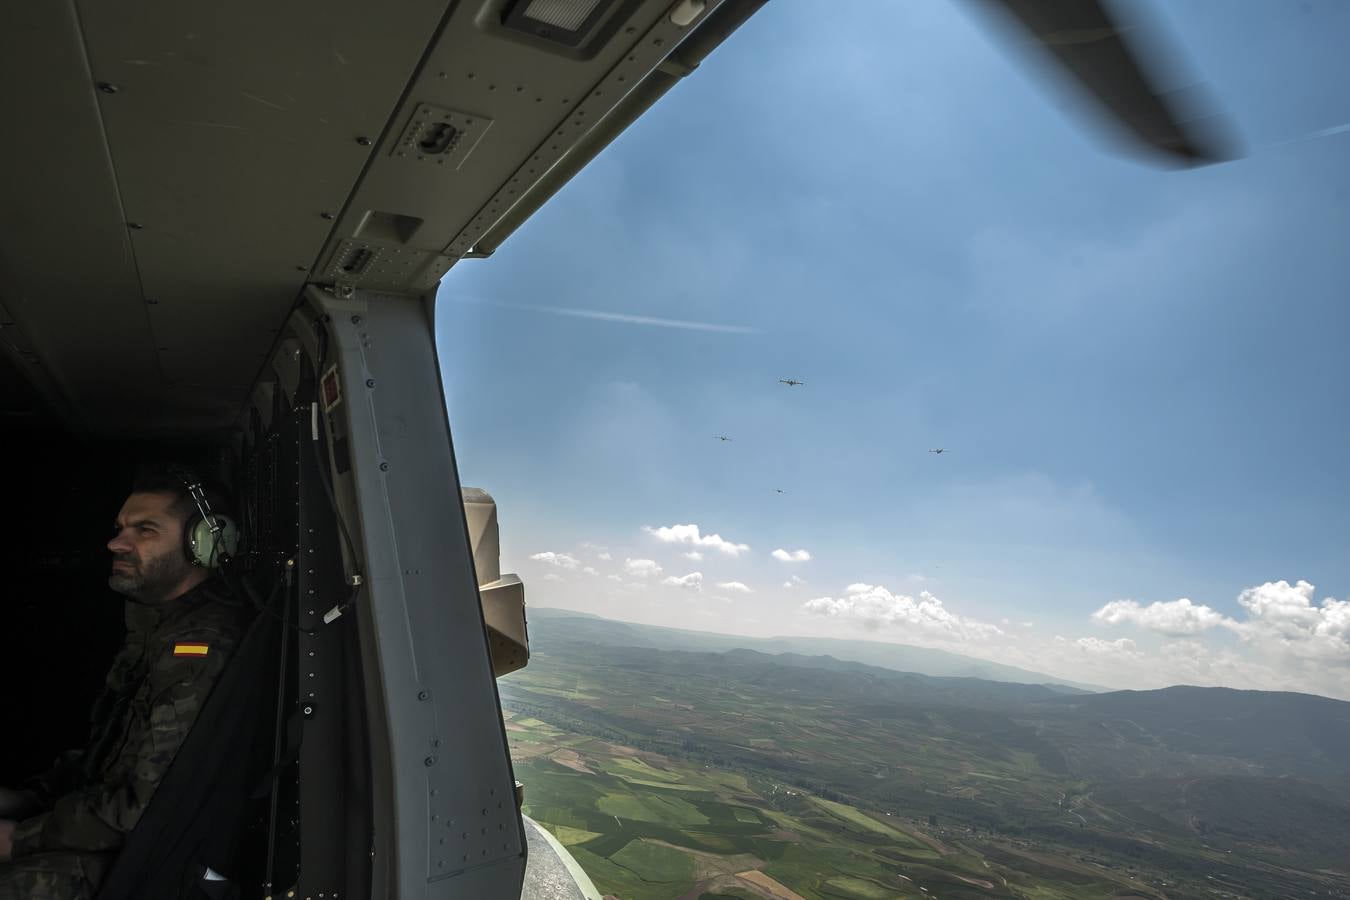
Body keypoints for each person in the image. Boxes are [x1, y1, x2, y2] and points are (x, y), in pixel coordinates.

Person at [0, 469, 253, 900]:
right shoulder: (156, 623)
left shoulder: (199, 648)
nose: (116, 544)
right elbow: (109, 759)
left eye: (145, 531)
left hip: (143, 865)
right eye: (120, 529)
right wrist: (27, 799)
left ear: (207, 545)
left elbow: (141, 808)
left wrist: (19, 838)